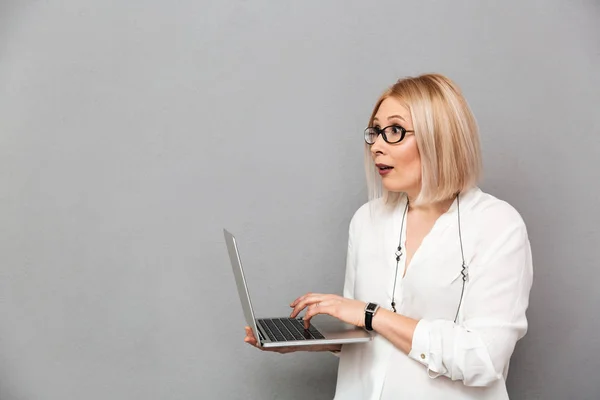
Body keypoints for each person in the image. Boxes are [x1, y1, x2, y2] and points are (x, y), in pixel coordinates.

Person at [243, 73, 533, 399]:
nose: (377, 146)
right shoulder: (366, 220)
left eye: (394, 131)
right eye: (376, 132)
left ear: (440, 137)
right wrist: (308, 340)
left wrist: (371, 313)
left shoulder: (498, 225)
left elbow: (483, 359)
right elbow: (366, 331)